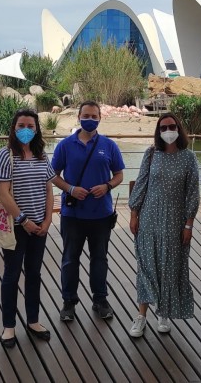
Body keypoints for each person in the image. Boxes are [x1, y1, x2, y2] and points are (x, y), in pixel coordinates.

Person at [51, 100, 125, 321]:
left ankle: (100, 300)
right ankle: (68, 303)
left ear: (100, 118)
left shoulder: (109, 146)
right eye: (86, 115)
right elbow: (53, 174)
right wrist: (70, 189)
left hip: (101, 214)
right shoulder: (65, 145)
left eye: (94, 116)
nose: (90, 120)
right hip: (72, 215)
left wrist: (108, 186)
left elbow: (119, 174)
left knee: (99, 259)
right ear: (78, 117)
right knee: (70, 259)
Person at [128, 113, 199, 338]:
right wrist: (134, 214)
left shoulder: (188, 158)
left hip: (175, 221)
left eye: (172, 126)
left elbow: (192, 193)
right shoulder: (151, 154)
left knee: (169, 266)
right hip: (149, 218)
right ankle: (141, 316)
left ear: (179, 128)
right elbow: (140, 185)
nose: (168, 130)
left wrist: (189, 225)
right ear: (158, 132)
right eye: (163, 127)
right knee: (146, 265)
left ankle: (164, 312)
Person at [0, 109, 55, 348]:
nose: (26, 129)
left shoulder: (41, 155)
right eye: (21, 125)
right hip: (17, 227)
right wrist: (23, 220)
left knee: (34, 273)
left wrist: (47, 221)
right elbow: (2, 193)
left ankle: (33, 320)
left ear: (37, 128)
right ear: (14, 128)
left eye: (30, 125)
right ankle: (9, 326)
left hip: (40, 226)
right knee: (12, 274)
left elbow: (48, 189)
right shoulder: (5, 155)